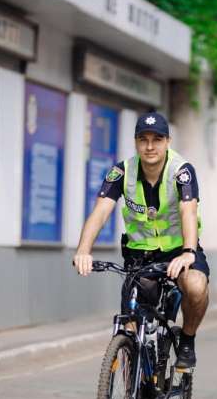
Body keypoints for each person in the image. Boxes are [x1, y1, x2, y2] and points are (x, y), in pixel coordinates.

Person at [73, 111, 209, 369]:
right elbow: (101, 212)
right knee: (130, 327)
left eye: (156, 139)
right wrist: (83, 250)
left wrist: (189, 251)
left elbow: (188, 210)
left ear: (167, 141)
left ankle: (188, 340)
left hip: (179, 251)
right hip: (140, 256)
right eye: (143, 139)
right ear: (135, 142)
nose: (149, 146)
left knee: (196, 285)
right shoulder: (121, 172)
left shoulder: (181, 171)